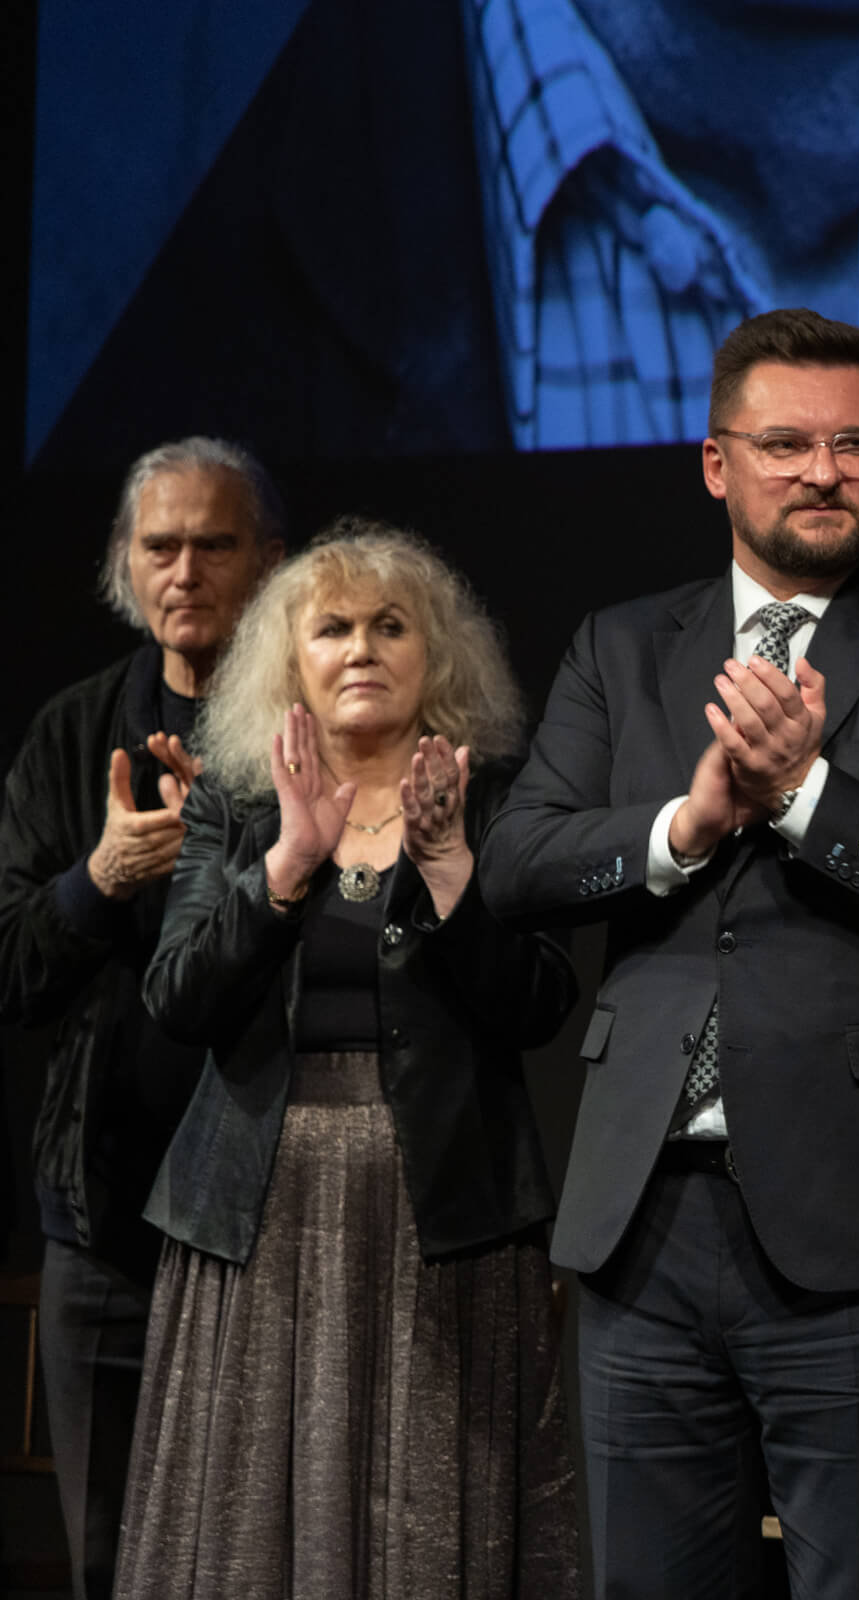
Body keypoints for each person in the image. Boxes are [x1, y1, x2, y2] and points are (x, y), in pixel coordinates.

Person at [480, 307, 859, 1596]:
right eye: (785, 442)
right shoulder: (623, 647)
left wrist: (799, 793)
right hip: (645, 1219)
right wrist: (688, 824)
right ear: (715, 463)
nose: (822, 470)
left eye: (856, 444)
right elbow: (518, 861)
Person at [120, 520, 578, 1592]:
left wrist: (454, 869)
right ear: (294, 659)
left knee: (424, 1522)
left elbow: (539, 1003)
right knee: (250, 1532)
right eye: (332, 628)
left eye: (389, 626)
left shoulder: (498, 799)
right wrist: (282, 867)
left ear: (437, 656)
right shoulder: (237, 806)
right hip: (257, 1211)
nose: (361, 648)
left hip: (443, 1215)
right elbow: (177, 998)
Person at [0, 437, 282, 1599]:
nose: (185, 570)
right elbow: (10, 970)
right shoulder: (73, 736)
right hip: (104, 1230)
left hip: (273, 1227)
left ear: (267, 561)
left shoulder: (311, 731)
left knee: (268, 1558)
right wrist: (97, 879)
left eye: (214, 543)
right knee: (111, 1563)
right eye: (160, 546)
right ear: (125, 563)